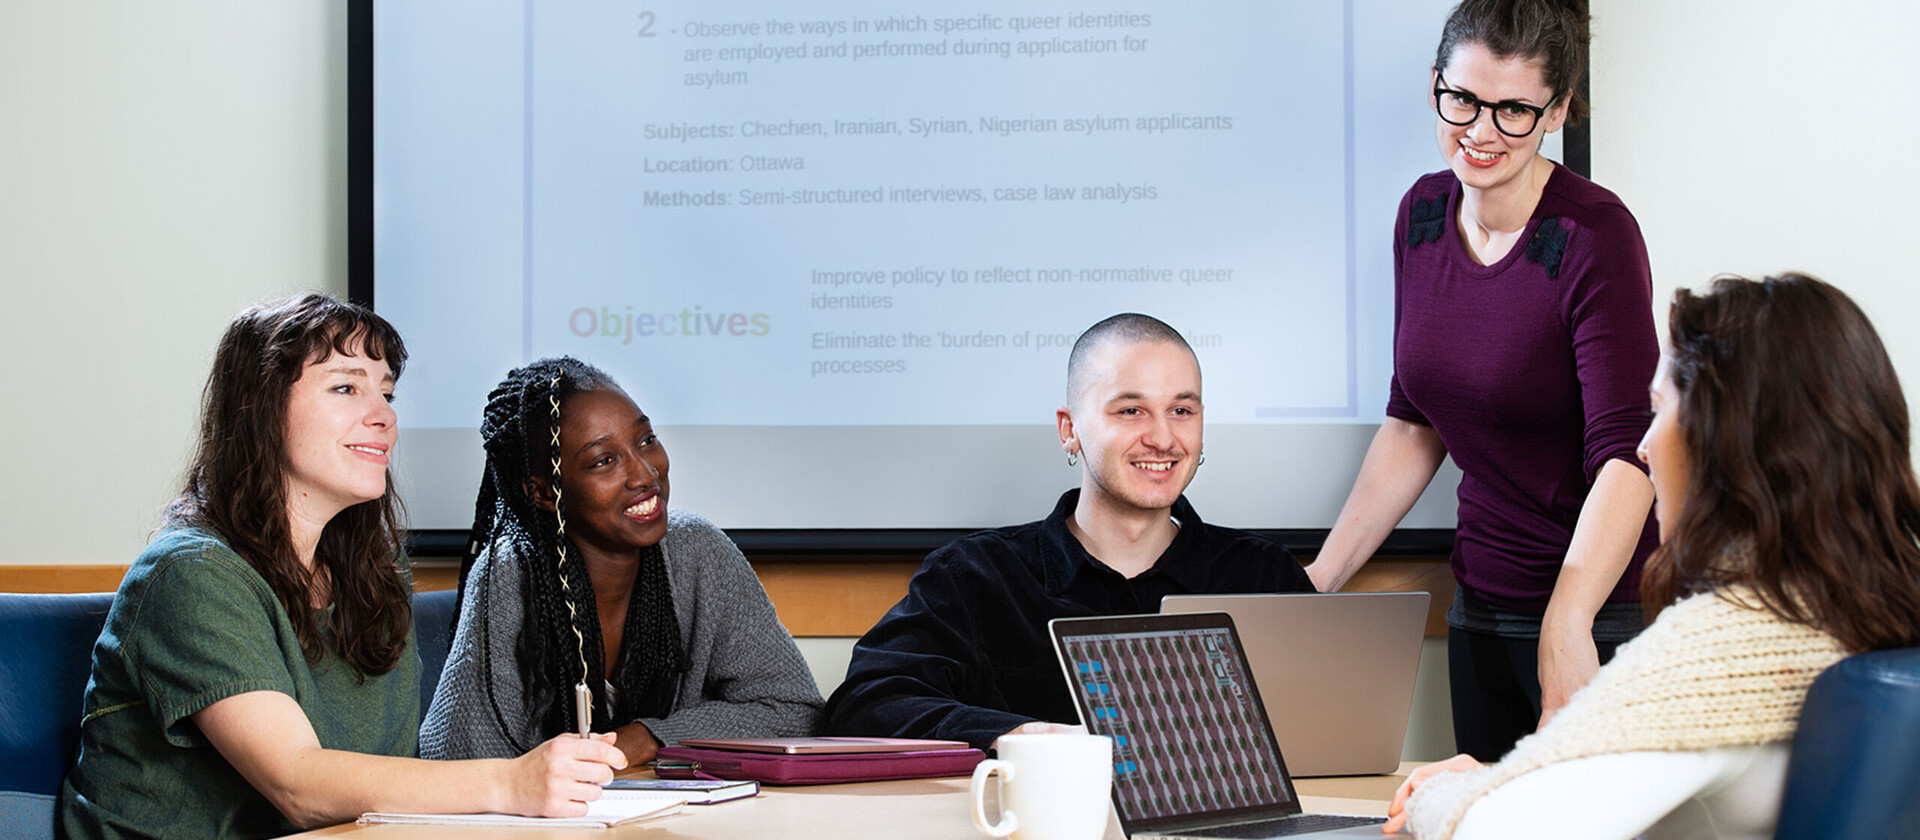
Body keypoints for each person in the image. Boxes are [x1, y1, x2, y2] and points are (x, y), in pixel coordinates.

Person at [59, 295, 628, 839]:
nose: (383, 416)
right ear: (258, 411)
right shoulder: (189, 574)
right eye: (345, 388)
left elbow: (386, 794)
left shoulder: (373, 578)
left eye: (387, 393)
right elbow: (299, 787)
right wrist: (511, 782)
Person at [1383, 274, 1920, 839]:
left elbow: (1505, 832)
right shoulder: (1866, 610)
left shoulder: (1727, 652)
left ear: (1723, 437)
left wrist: (1446, 791)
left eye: (1659, 410)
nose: (1643, 444)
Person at [1305, 0, 1659, 761]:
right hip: (1482, 604)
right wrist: (1321, 581)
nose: (1481, 129)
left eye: (1513, 110)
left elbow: (1629, 459)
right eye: (1462, 98)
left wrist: (1568, 623)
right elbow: (1413, 422)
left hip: (1599, 611)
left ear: (1558, 109)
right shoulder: (1422, 214)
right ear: (1436, 83)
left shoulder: (1594, 235)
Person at [824, 313, 1315, 750]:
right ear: (1069, 430)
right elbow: (864, 705)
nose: (1163, 438)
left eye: (1182, 411)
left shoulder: (1263, 572)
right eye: (1130, 410)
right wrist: (1029, 738)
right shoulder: (974, 577)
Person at [420, 357, 821, 766]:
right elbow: (456, 756)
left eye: (646, 440)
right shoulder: (509, 576)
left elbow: (794, 709)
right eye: (603, 461)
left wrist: (648, 737)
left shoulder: (697, 551)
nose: (645, 473)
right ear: (542, 493)